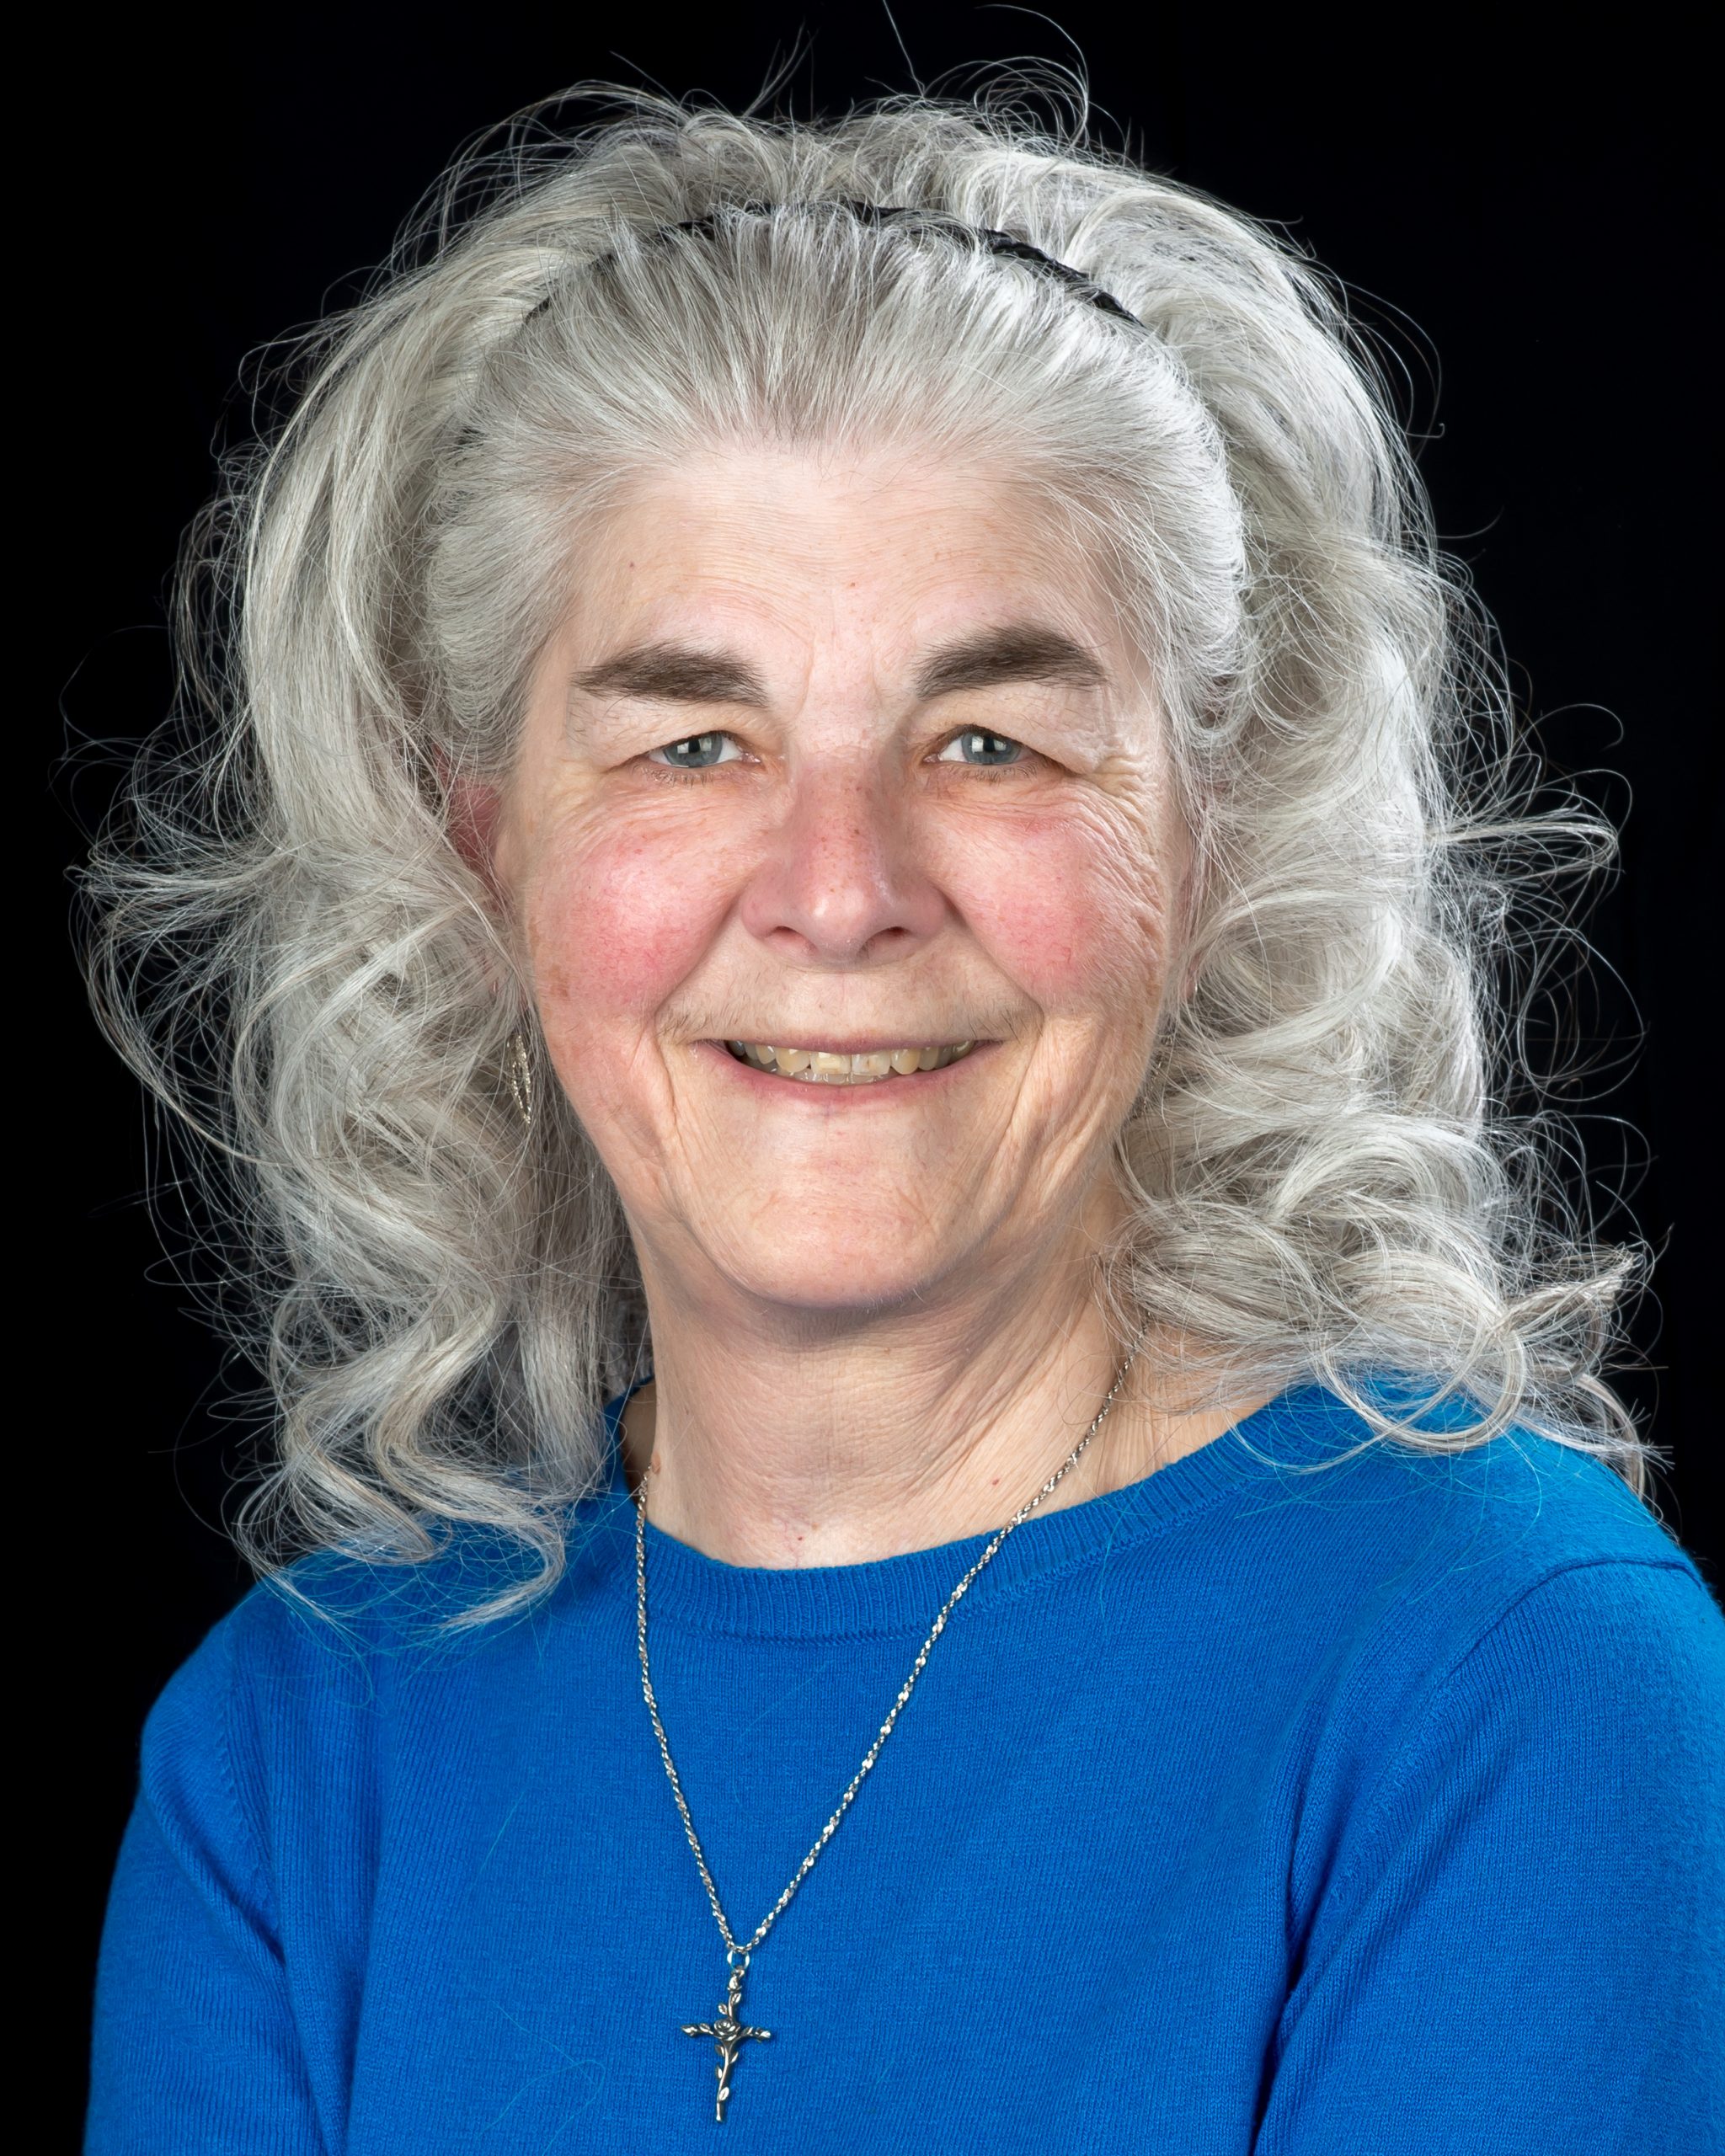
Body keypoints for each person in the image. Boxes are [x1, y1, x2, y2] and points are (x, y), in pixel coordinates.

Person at [83, 88, 1723, 2153]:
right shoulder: (292, 1752)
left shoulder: (1516, 1677)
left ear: (1207, 832)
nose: (840, 889)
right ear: (483, 847)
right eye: (694, 743)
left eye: (989, 740)